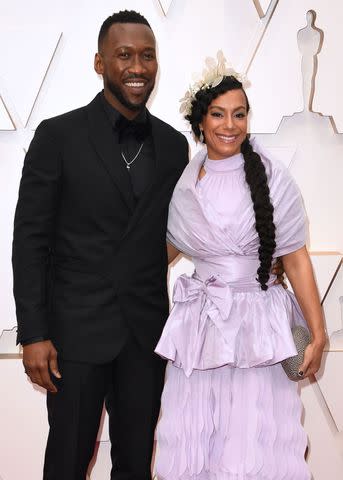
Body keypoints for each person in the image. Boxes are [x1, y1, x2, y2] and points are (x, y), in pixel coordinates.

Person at [12, 10, 189, 480]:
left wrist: (262, 259)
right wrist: (33, 332)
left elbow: (189, 226)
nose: (137, 66)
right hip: (73, 336)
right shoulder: (58, 136)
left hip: (146, 335)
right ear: (99, 63)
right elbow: (30, 239)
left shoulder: (174, 147)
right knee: (68, 464)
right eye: (124, 55)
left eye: (147, 56)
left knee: (135, 466)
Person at [154, 53, 326, 479]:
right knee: (199, 438)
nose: (229, 125)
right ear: (200, 122)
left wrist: (318, 332)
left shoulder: (272, 176)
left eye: (239, 114)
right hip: (200, 326)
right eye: (218, 114)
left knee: (255, 441)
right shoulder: (185, 183)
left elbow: (296, 259)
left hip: (259, 327)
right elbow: (167, 250)